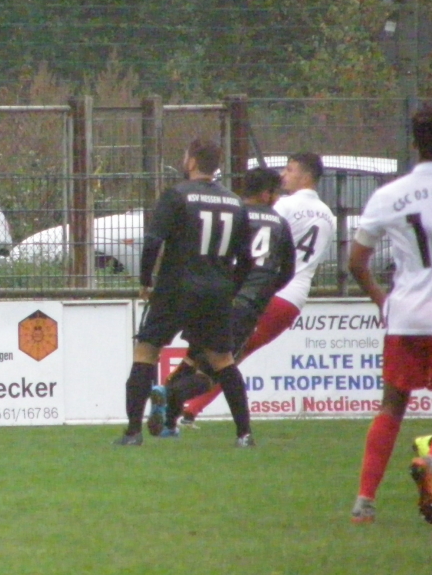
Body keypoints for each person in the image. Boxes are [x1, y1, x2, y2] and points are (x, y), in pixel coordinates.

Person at [176, 152, 336, 425]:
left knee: (221, 355)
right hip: (294, 298)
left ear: (306, 176)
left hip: (267, 292)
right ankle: (187, 409)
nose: (284, 175)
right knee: (231, 356)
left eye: (290, 169)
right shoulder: (329, 215)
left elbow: (257, 241)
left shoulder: (284, 206)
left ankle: (175, 401)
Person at [349, 106, 432, 525]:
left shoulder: (389, 195)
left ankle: (364, 501)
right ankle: (431, 462)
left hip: (406, 315)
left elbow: (356, 260)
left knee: (392, 405)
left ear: (414, 142)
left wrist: (380, 299)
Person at [115, 138, 253, 447]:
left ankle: (133, 432)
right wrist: (229, 287)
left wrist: (145, 281)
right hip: (216, 293)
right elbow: (247, 259)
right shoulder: (234, 202)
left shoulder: (176, 195)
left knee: (146, 352)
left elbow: (153, 241)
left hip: (176, 288)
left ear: (191, 162)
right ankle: (244, 434)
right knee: (223, 361)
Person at [150, 166, 295, 435]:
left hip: (210, 297)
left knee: (194, 358)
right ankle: (170, 394)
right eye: (276, 192)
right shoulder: (279, 224)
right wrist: (264, 291)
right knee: (214, 372)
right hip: (244, 306)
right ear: (267, 193)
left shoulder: (233, 213)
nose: (278, 198)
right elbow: (287, 271)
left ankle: (169, 421)